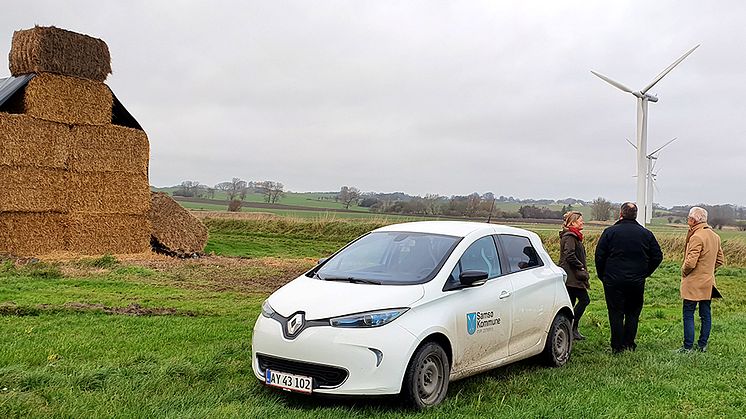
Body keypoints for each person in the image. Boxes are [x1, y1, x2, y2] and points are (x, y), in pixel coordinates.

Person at [595, 202, 663, 353]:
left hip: (613, 280)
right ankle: (629, 343)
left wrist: (603, 275)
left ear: (621, 213)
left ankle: (617, 346)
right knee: (633, 312)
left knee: (615, 312)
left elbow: (599, 256)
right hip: (636, 281)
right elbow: (657, 256)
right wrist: (645, 272)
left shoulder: (609, 232)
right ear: (636, 215)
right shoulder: (646, 234)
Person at [679, 207, 725, 353]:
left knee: (688, 313)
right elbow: (720, 260)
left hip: (693, 282)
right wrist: (709, 271)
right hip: (708, 283)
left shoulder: (697, 236)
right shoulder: (715, 236)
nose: (687, 220)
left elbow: (690, 262)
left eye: (688, 218)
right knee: (705, 314)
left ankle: (687, 347)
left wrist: (684, 272)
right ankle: (702, 345)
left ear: (693, 220)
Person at [558, 211, 590, 340]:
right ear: (573, 222)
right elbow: (569, 254)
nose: (583, 222)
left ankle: (567, 328)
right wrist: (580, 266)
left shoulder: (572, 236)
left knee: (570, 302)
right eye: (580, 220)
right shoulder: (570, 237)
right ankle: (572, 327)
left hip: (571, 275)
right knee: (584, 300)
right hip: (573, 276)